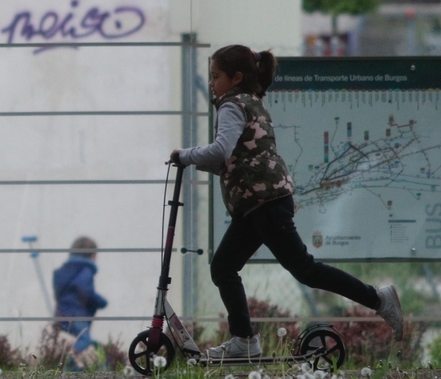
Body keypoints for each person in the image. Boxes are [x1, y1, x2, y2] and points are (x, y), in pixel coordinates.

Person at [171, 44, 403, 359]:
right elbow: (232, 159)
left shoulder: (231, 106)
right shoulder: (252, 103)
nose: (212, 83)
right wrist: (194, 161)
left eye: (216, 76)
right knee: (224, 266)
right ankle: (244, 341)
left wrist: (184, 155)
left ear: (236, 77)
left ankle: (378, 298)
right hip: (257, 204)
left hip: (264, 203)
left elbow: (220, 151)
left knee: (304, 269)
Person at [52, 236, 108, 368]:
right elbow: (84, 288)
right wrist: (100, 301)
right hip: (76, 313)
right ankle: (70, 359)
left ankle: (75, 366)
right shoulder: (85, 269)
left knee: (76, 341)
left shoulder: (64, 271)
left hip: (62, 313)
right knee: (84, 339)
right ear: (92, 255)